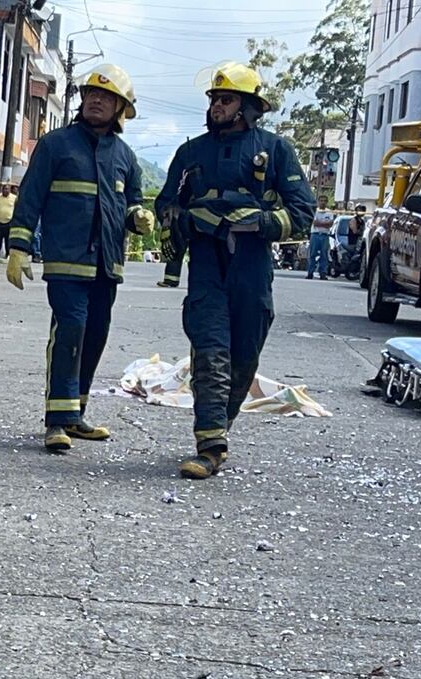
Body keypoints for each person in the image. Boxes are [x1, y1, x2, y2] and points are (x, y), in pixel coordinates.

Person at [155, 61, 315, 479]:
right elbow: (166, 202)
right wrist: (180, 220)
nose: (216, 106)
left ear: (247, 107)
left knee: (244, 354)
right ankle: (209, 444)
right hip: (207, 261)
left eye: (225, 100)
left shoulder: (276, 150)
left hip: (252, 262)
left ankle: (220, 425)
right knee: (209, 349)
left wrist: (259, 223)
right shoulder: (191, 153)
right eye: (213, 99)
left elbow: (302, 211)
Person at [5, 63, 154, 451]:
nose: (96, 100)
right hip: (67, 262)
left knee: (95, 335)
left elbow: (133, 202)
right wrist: (19, 247)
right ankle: (57, 420)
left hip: (107, 265)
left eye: (105, 96)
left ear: (121, 108)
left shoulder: (125, 156)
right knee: (70, 329)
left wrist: (139, 216)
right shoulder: (56, 145)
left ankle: (76, 414)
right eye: (91, 93)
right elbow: (31, 197)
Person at [307, 196, 334, 280]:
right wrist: (324, 223)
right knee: (312, 254)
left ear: (327, 202)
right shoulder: (314, 211)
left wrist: (321, 223)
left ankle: (323, 273)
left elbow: (330, 224)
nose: (322, 202)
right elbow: (315, 223)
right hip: (315, 235)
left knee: (324, 254)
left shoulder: (329, 212)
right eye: (321, 200)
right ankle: (310, 272)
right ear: (318, 201)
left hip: (325, 235)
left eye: (324, 201)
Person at [0, 184, 17, 258]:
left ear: (9, 190)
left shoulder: (14, 198)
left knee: (8, 239)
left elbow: (19, 207)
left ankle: (7, 254)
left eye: (7, 189)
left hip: (9, 222)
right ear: (2, 190)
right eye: (4, 189)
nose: (6, 190)